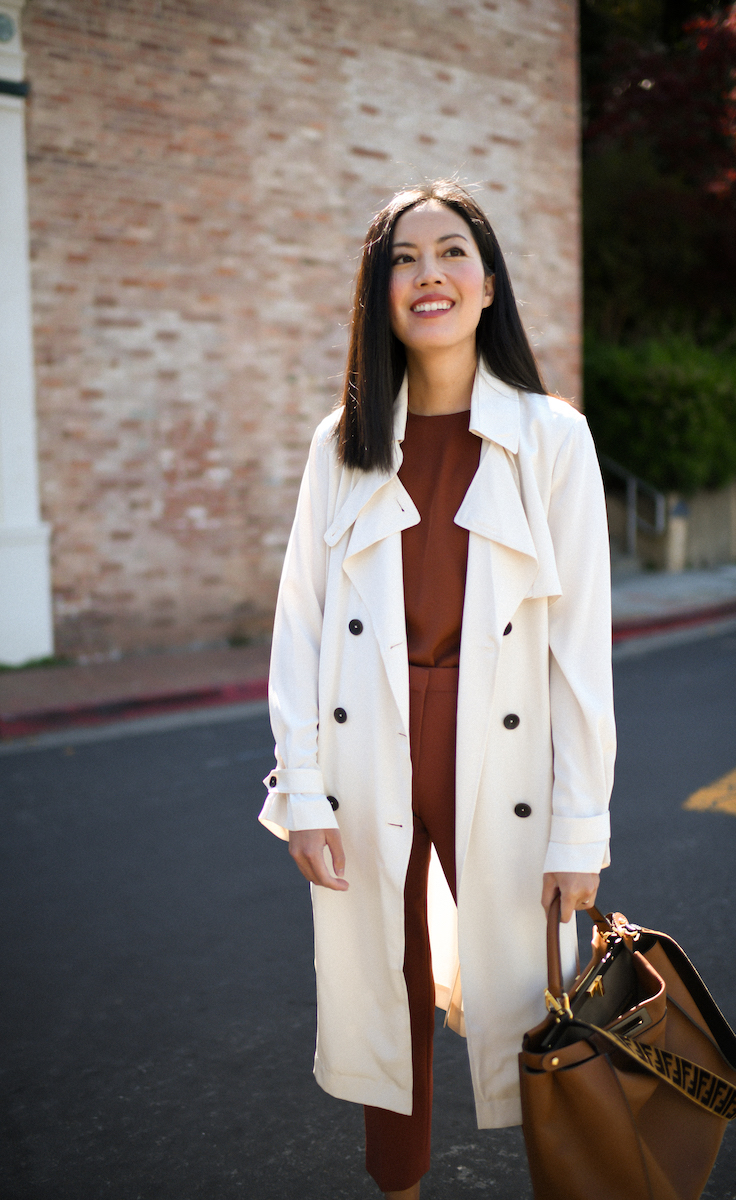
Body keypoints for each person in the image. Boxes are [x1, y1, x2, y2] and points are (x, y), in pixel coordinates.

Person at [259, 180, 615, 1199]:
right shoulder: (341, 444)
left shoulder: (551, 439)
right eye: (402, 261)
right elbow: (301, 624)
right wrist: (302, 789)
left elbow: (577, 650)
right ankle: (399, 1187)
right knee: (387, 986)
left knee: (546, 1003)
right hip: (370, 743)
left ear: (488, 283)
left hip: (505, 751)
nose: (428, 275)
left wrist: (579, 825)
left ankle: (581, 1175)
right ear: (379, 298)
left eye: (449, 253)